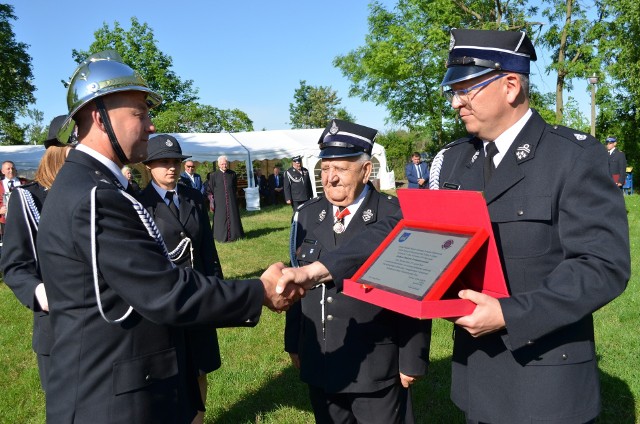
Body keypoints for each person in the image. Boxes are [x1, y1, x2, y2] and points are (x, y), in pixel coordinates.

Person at [277, 29, 630, 424]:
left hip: (548, 374)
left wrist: (510, 314)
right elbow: (402, 230)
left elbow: (602, 265)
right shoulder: (455, 161)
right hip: (478, 373)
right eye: (453, 91)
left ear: (511, 85)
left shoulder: (573, 157)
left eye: (466, 89)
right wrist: (317, 269)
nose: (456, 102)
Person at [36, 50, 298, 424]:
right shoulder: (96, 196)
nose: (150, 126)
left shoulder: (89, 185)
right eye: (140, 114)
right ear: (99, 116)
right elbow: (164, 291)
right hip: (112, 402)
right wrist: (259, 291)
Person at [284, 119, 431, 424]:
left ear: (366, 171)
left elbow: (415, 287)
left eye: (341, 169)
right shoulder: (307, 214)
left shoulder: (395, 214)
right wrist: (294, 342)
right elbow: (296, 278)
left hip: (376, 363)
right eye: (325, 169)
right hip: (322, 357)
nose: (331, 178)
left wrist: (412, 357)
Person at [138, 134, 223, 424]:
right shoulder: (139, 204)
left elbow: (207, 249)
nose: (172, 168)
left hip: (197, 296)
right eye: (163, 162)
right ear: (149, 166)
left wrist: (217, 291)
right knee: (168, 372)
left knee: (199, 366)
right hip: (164, 301)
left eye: (175, 161)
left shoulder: (194, 197)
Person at [0, 115, 72, 394]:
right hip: (55, 324)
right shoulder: (28, 197)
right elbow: (15, 265)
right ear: (55, 152)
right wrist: (39, 293)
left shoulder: (98, 190)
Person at [208, 155, 244, 242]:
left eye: (225, 164)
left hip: (231, 201)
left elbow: (234, 187)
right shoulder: (213, 175)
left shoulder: (232, 174)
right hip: (220, 202)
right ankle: (220, 236)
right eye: (222, 164)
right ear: (218, 164)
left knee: (233, 217)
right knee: (220, 219)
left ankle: (235, 235)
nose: (224, 166)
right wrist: (212, 201)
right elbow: (210, 189)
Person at [0, 160, 29, 234]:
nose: (11, 170)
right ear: (2, 171)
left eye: (12, 168)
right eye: (8, 169)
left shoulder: (25, 183)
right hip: (5, 222)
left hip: (23, 220)